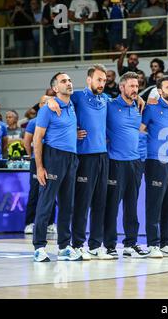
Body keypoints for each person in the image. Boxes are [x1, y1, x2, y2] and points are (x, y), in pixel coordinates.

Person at [47, 64, 113, 260]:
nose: (102, 83)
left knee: (100, 203)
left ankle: (94, 246)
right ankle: (76, 245)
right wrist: (49, 100)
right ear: (89, 80)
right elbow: (57, 100)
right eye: (98, 79)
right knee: (82, 204)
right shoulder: (77, 97)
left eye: (104, 80)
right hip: (84, 157)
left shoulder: (106, 99)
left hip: (103, 157)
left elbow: (126, 101)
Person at [32, 72, 80, 262]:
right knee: (46, 203)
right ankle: (39, 247)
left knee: (67, 205)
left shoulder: (72, 104)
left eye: (69, 80)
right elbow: (37, 139)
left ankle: (64, 247)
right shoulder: (47, 109)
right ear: (55, 88)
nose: (68, 83)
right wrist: (39, 167)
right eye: (63, 81)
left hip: (71, 158)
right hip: (54, 157)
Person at [103, 71, 148, 259]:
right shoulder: (110, 105)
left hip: (135, 162)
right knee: (112, 206)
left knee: (131, 205)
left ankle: (130, 243)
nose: (135, 89)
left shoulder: (139, 106)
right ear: (121, 87)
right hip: (116, 162)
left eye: (137, 86)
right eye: (131, 86)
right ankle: (110, 245)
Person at [140, 75, 168, 258]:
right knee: (154, 204)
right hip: (156, 162)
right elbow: (140, 130)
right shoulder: (151, 108)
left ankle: (167, 243)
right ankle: (153, 244)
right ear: (159, 91)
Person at [23, 95, 57, 235]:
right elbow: (27, 141)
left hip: (52, 160)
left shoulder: (55, 119)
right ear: (40, 105)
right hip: (37, 160)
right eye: (44, 102)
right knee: (35, 191)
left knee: (51, 191)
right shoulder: (33, 121)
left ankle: (50, 223)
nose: (47, 104)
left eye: (49, 102)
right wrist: (32, 156)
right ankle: (30, 222)